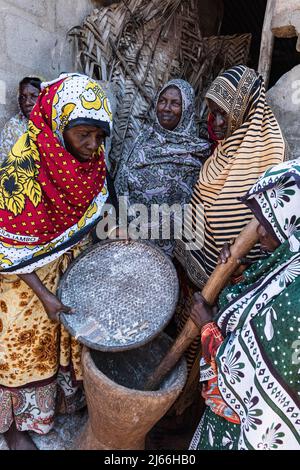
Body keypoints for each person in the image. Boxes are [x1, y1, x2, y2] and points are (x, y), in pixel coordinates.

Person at [0, 72, 114, 450]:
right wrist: (44, 294)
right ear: (57, 125)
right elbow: (6, 248)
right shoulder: (21, 173)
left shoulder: (92, 164)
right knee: (18, 345)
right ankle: (13, 428)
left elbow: (98, 213)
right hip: (21, 282)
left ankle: (52, 409)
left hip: (66, 272)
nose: (92, 144)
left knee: (55, 344)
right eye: (84, 133)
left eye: (99, 136)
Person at [189, 159, 300, 450]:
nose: (257, 233)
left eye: (266, 226)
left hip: (242, 430)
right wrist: (239, 271)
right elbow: (266, 288)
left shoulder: (296, 305)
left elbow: (249, 372)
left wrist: (208, 328)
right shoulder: (290, 259)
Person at [114, 79, 211, 257]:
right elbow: (121, 185)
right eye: (162, 101)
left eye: (175, 103)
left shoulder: (198, 153)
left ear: (187, 109)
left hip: (173, 255)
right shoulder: (142, 140)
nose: (166, 108)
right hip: (128, 244)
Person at [0, 76, 42, 164]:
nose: (27, 102)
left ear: (43, 97)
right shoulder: (12, 128)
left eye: (34, 96)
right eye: (23, 97)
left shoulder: (52, 124)